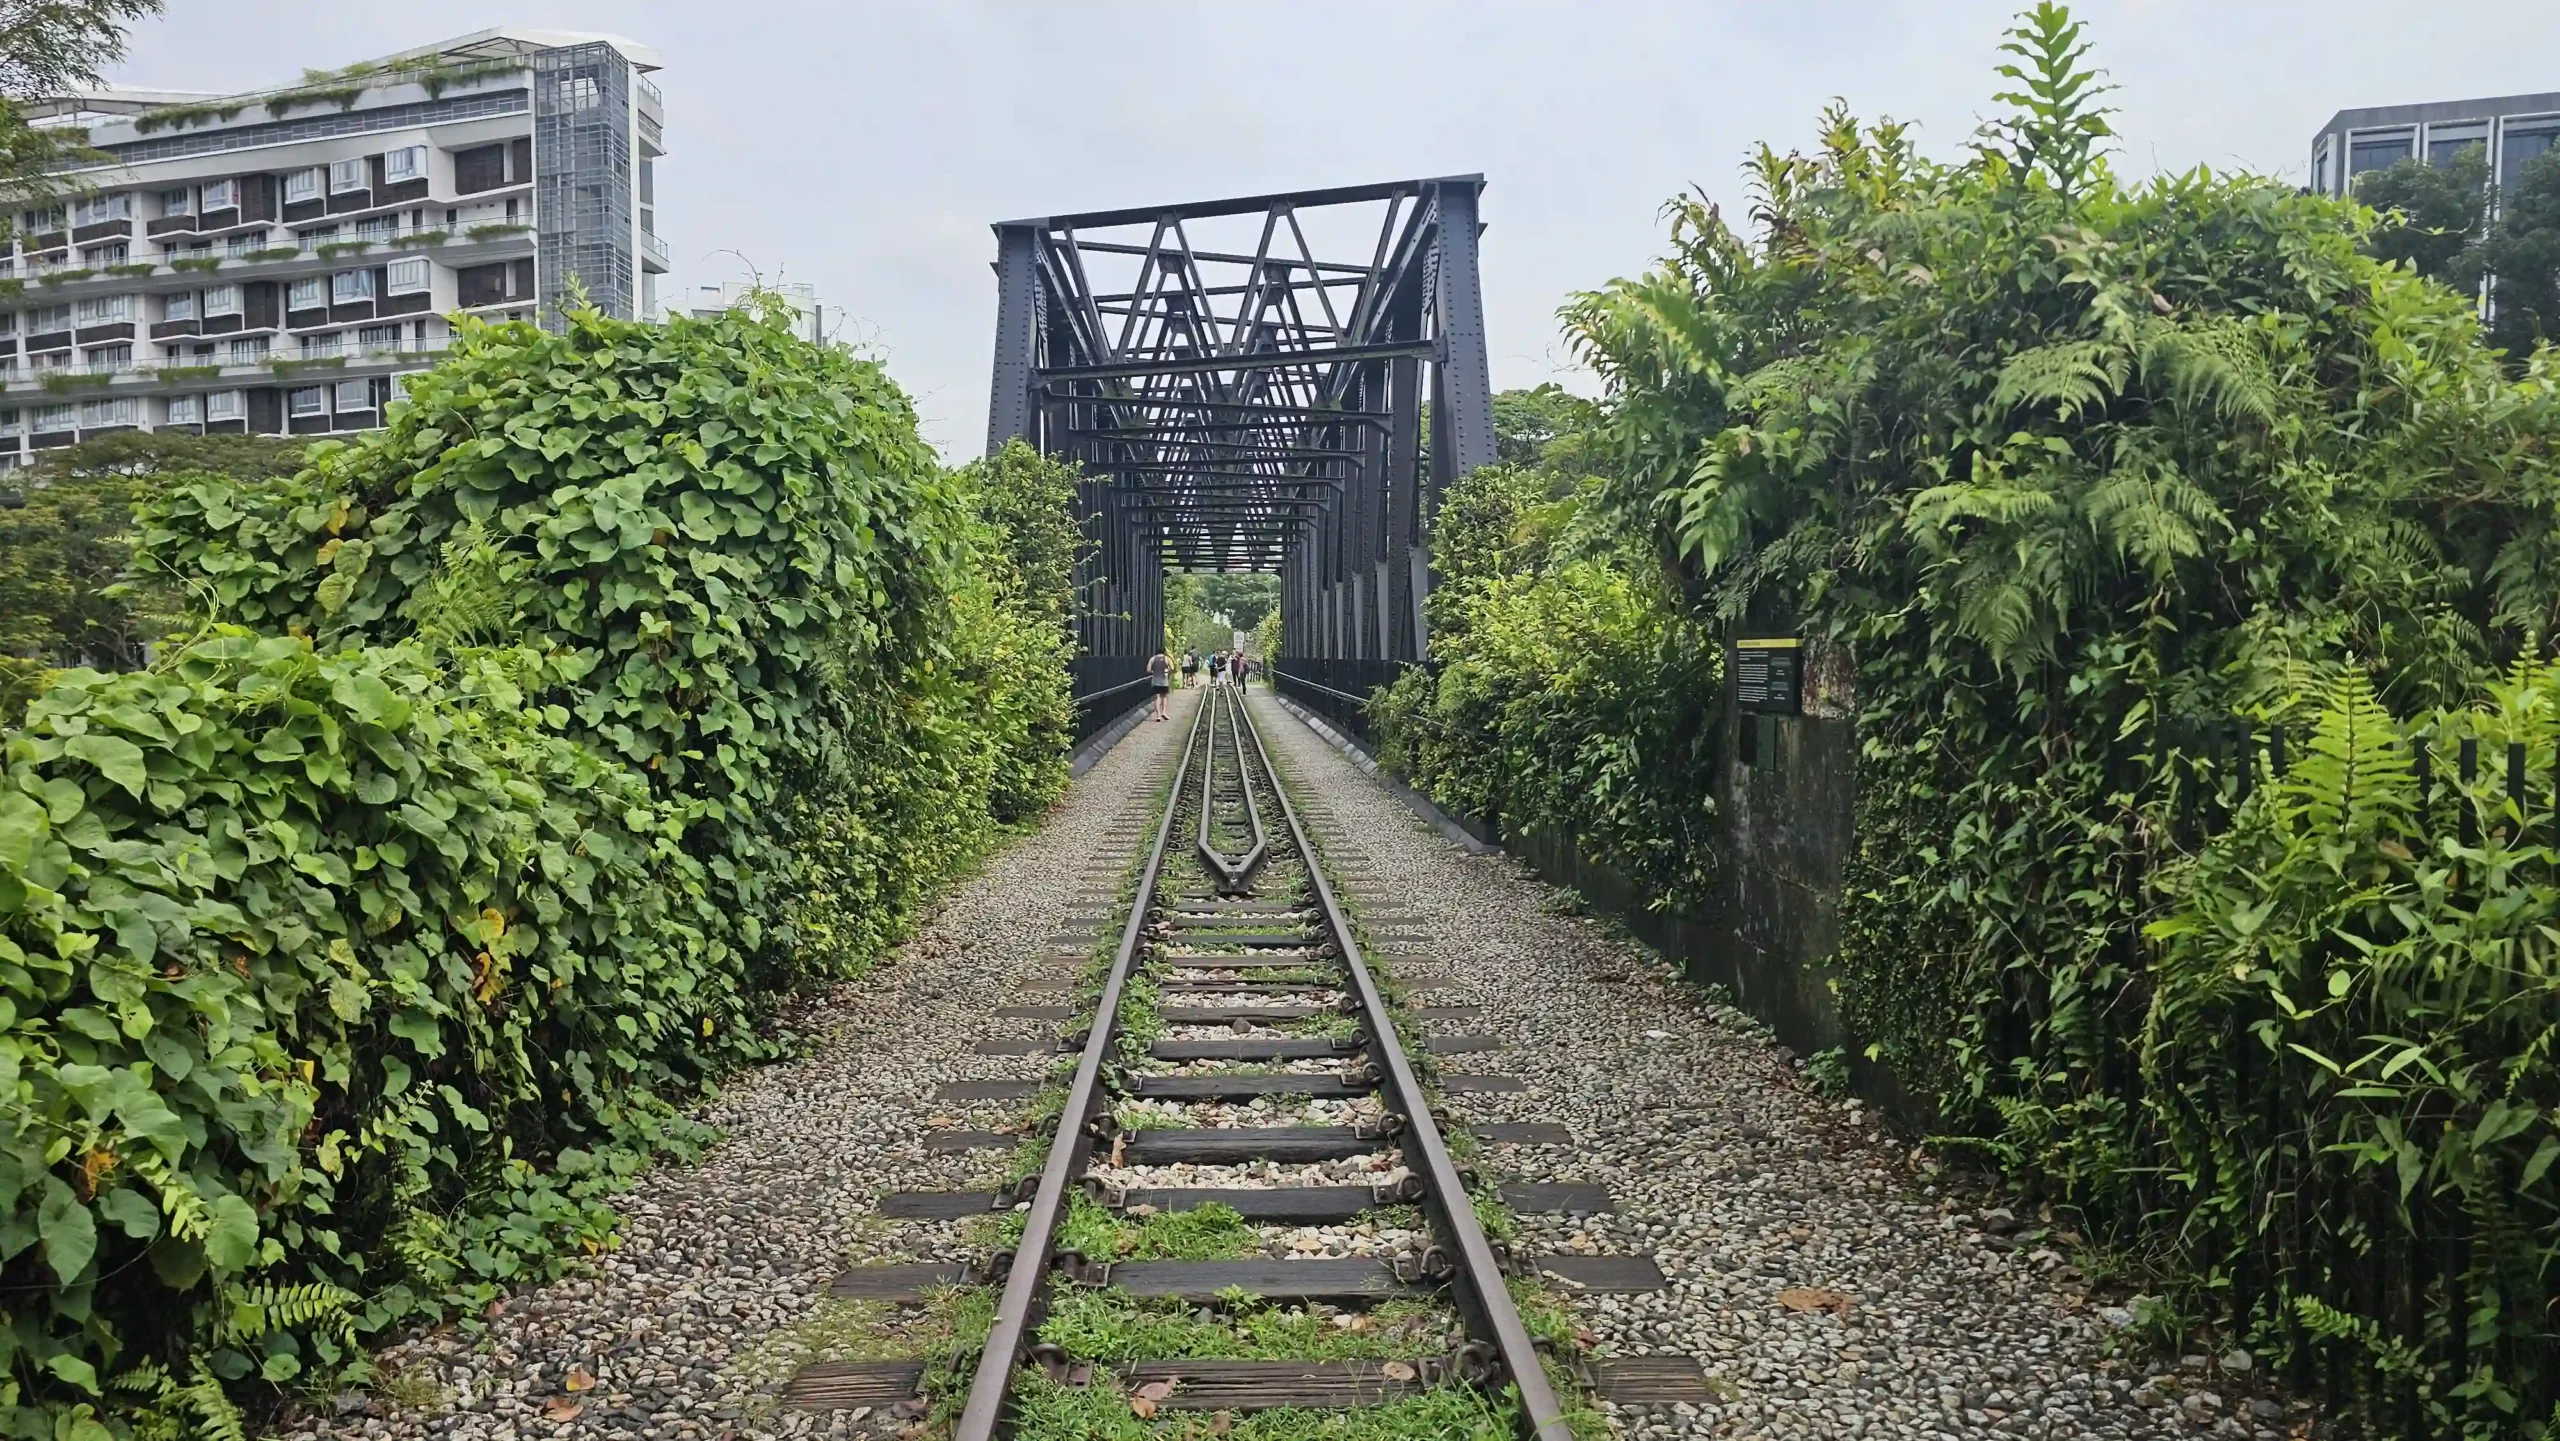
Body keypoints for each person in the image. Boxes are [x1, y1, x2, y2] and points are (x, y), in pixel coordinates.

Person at [1148, 649, 1173, 720]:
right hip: (1164, 681)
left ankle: (1158, 716)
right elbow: (1172, 668)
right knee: (1164, 697)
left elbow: (1148, 670)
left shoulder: (1152, 659)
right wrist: (1167, 673)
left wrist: (1154, 671)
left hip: (1155, 681)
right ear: (1164, 652)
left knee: (1157, 697)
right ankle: (1164, 712)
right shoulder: (1167, 659)